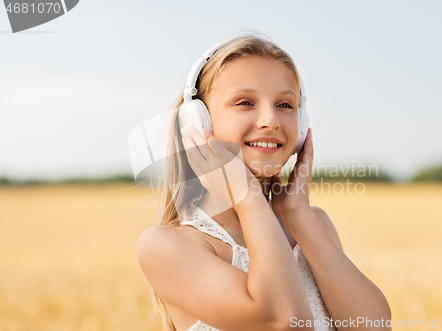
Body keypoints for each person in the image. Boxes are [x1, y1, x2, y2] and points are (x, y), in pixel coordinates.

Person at [136, 33, 392, 331]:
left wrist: (298, 216)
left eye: (285, 105)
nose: (270, 120)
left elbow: (374, 327)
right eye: (245, 102)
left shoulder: (311, 224)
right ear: (197, 122)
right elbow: (283, 321)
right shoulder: (167, 246)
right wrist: (248, 199)